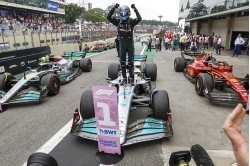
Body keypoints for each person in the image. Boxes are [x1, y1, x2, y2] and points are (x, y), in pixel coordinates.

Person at [107, 3, 141, 85]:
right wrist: (113, 8)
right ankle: (124, 78)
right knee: (122, 62)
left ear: (128, 13)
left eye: (124, 13)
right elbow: (108, 17)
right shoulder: (118, 22)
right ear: (119, 14)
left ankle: (132, 78)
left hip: (130, 45)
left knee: (131, 62)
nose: (123, 15)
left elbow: (139, 18)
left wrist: (135, 8)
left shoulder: (131, 22)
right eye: (121, 14)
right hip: (122, 45)